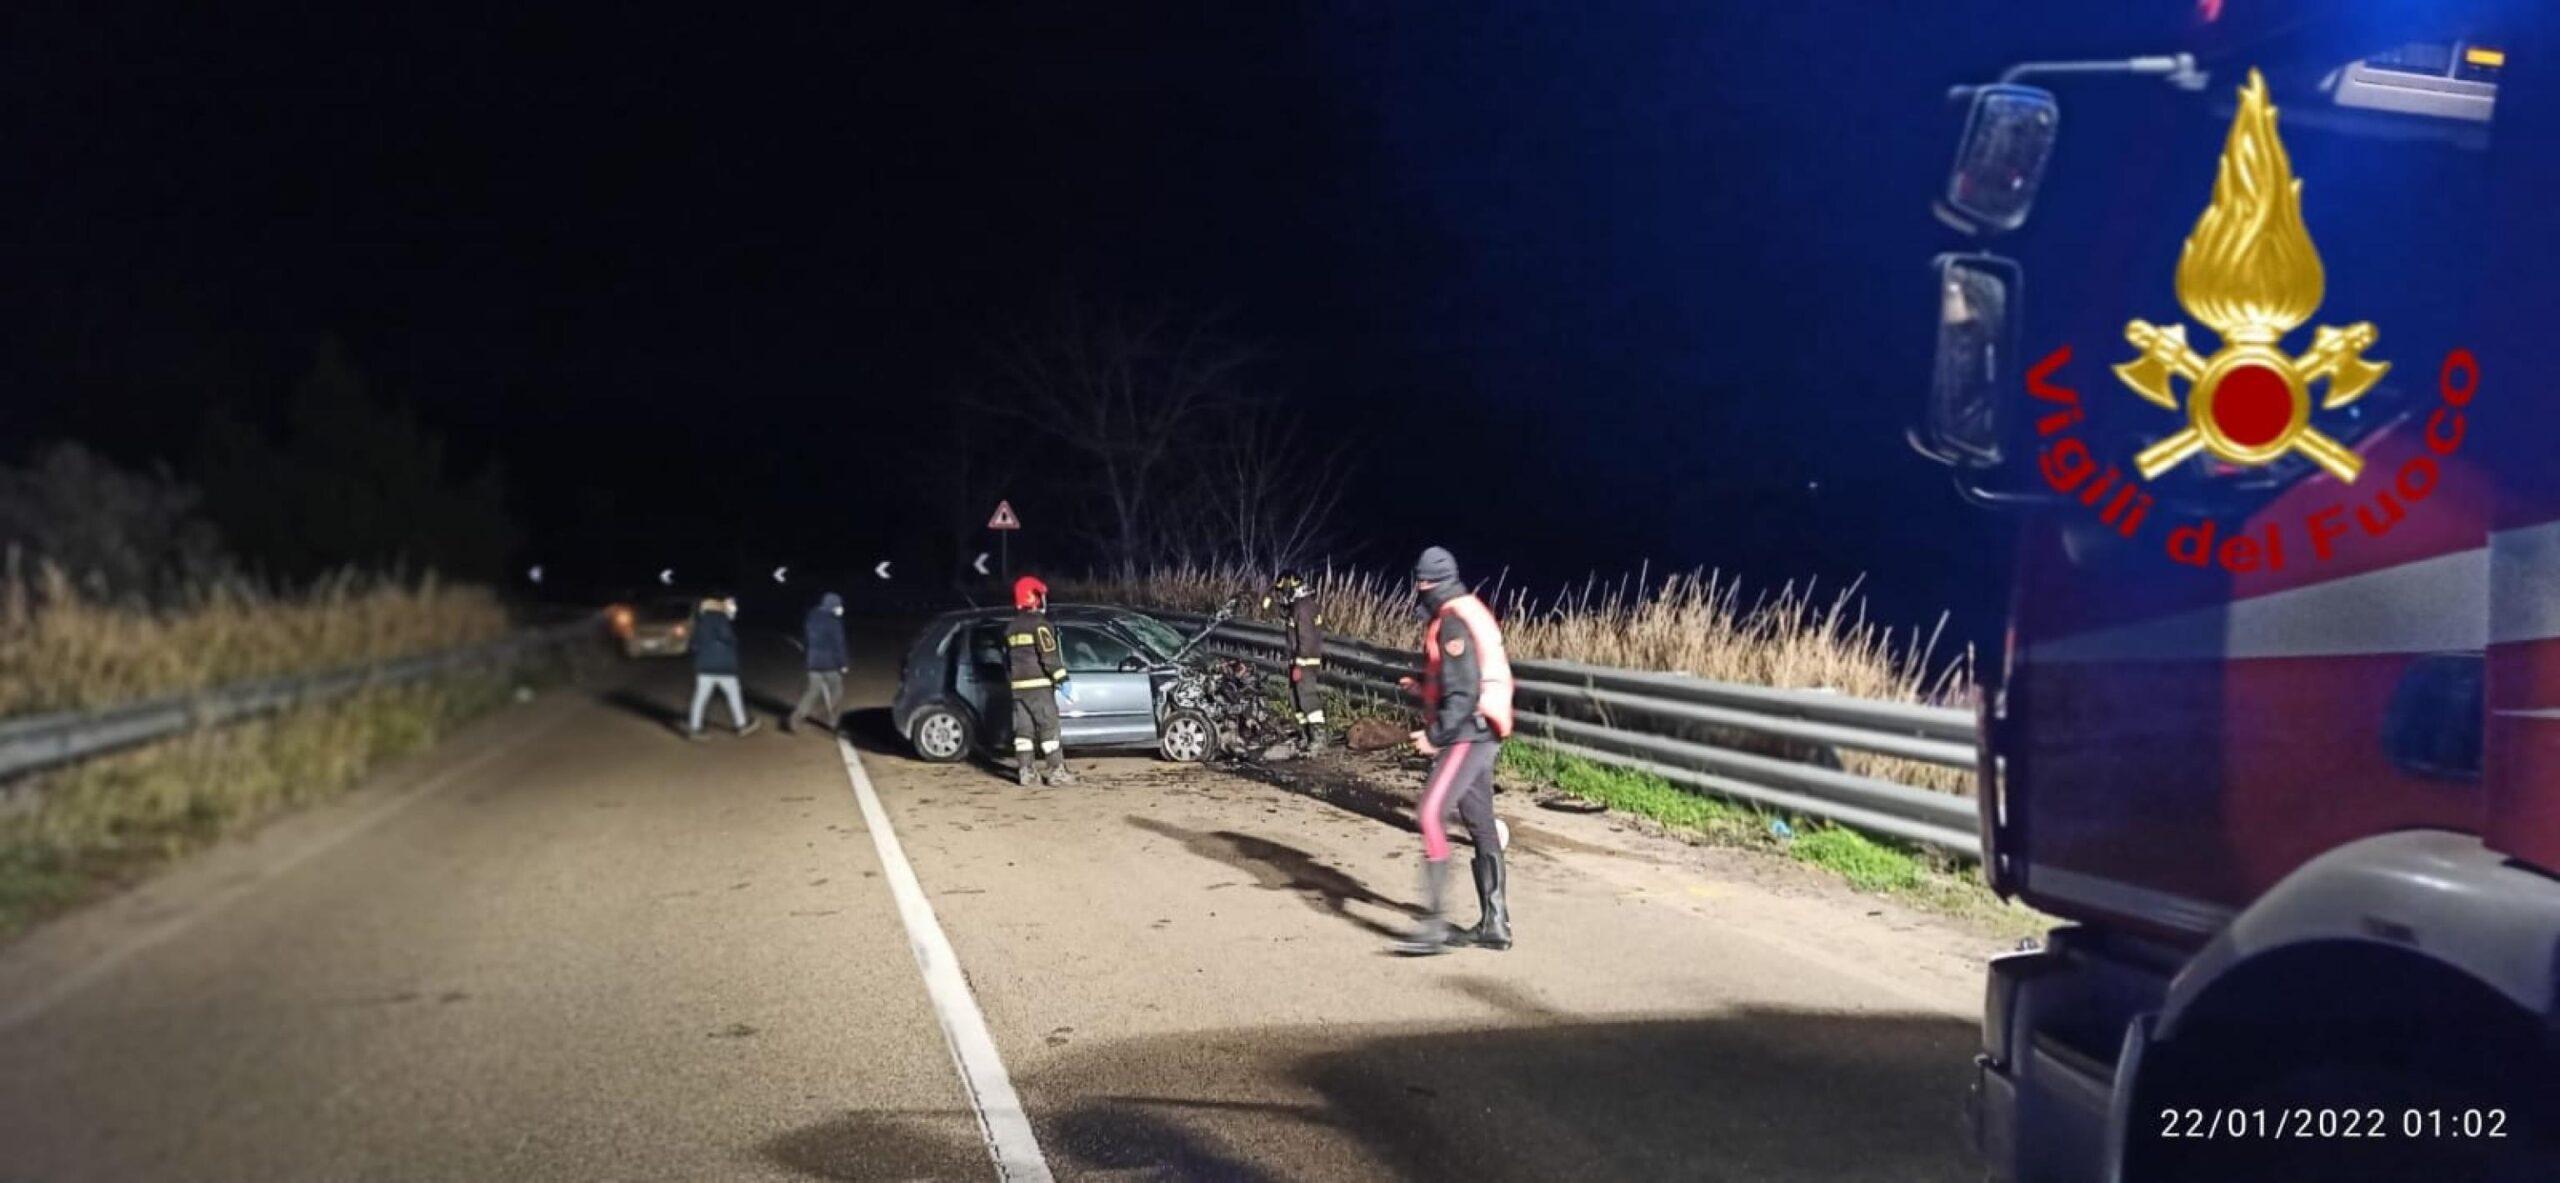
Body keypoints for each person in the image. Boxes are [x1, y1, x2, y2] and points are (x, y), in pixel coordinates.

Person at [1394, 546, 1514, 955]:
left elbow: (1463, 692)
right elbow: (1459, 678)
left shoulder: (1451, 622)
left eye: (1419, 582)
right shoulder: (1465, 609)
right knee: (1480, 822)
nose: (1417, 590)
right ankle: (1495, 924)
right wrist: (1421, 689)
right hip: (1484, 727)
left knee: (1430, 813)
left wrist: (1436, 736)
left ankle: (1432, 927)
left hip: (1469, 730)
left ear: (1426, 583)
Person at [1004, 574, 1074, 787]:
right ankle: (1056, 772)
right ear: (1034, 598)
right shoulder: (1041, 626)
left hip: (1018, 690)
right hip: (1039, 687)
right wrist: (1062, 679)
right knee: (1049, 728)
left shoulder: (1011, 628)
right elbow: (1049, 656)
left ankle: (1026, 773)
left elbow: (1006, 660)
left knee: (1023, 732)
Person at [1263, 570, 1328, 750]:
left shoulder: (1303, 608)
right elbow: (1271, 610)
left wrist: (1299, 663)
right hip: (1300, 661)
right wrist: (1270, 594)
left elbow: (1306, 638)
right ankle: (1306, 735)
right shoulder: (1299, 605)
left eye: (1284, 590)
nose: (1282, 595)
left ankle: (1318, 738)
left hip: (1305, 663)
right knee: (1296, 699)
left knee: (1307, 698)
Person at [686, 593, 760, 740]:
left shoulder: (700, 622)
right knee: (734, 696)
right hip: (723, 666)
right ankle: (741, 725)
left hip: (704, 666)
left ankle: (694, 729)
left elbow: (694, 645)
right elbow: (729, 638)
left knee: (700, 698)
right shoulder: (721, 619)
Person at [785, 591, 849, 734]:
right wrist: (842, 663)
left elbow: (806, 640)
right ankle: (833, 722)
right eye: (838, 605)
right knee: (837, 691)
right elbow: (838, 644)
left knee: (812, 692)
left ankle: (795, 719)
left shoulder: (812, 617)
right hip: (830, 664)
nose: (840, 608)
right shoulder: (833, 621)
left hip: (813, 662)